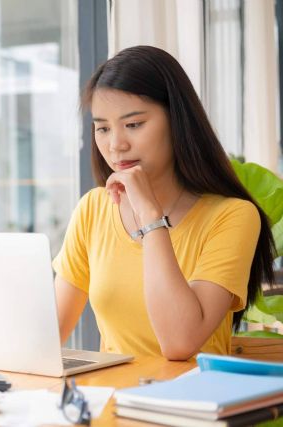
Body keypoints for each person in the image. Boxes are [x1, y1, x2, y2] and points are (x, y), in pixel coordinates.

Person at [52, 45, 275, 361]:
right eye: (102, 128)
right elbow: (49, 336)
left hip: (194, 405)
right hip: (110, 404)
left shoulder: (233, 216)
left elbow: (180, 342)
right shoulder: (93, 209)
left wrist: (150, 216)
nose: (116, 144)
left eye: (133, 124)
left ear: (177, 121)